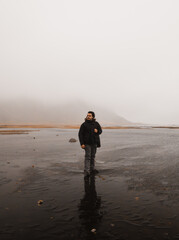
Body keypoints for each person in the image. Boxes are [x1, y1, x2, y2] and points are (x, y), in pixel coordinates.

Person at [78, 111, 102, 177]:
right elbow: (80, 134)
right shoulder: (84, 124)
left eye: (89, 116)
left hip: (94, 143)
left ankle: (92, 169)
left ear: (93, 117)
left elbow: (100, 131)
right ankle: (87, 171)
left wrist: (97, 131)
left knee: (93, 156)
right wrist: (82, 143)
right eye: (87, 115)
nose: (88, 116)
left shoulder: (96, 124)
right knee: (88, 157)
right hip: (87, 143)